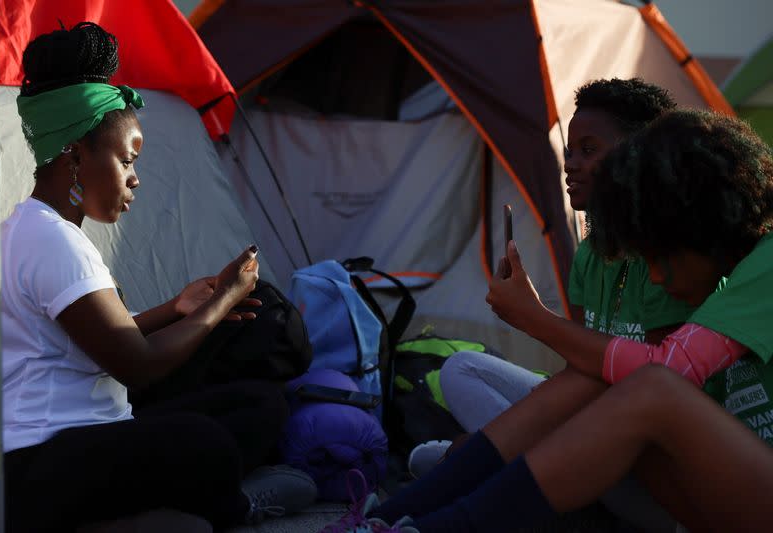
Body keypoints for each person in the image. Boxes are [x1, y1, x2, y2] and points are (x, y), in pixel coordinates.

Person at [320, 109, 773, 532]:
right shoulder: (637, 265)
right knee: (593, 378)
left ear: (702, 225)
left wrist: (535, 319)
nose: (654, 275)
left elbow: (669, 370)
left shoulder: (766, 263)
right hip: (713, 488)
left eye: (662, 257)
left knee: (648, 385)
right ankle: (392, 517)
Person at [2, 23, 314, 533]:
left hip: (80, 435)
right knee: (201, 443)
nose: (135, 178)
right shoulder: (52, 242)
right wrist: (221, 303)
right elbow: (139, 367)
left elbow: (85, 339)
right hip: (42, 462)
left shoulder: (31, 229)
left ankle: (176, 510)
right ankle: (229, 509)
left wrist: (177, 309)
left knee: (256, 403)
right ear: (77, 155)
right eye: (127, 160)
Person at [411, 79, 689, 530]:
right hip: (589, 421)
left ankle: (485, 474)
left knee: (570, 406)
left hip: (644, 458)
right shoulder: (589, 252)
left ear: (637, 155)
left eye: (588, 149)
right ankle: (494, 469)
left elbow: (650, 389)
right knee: (461, 368)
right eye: (570, 149)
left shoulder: (669, 260)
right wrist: (523, 418)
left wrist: (536, 320)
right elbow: (578, 369)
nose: (570, 164)